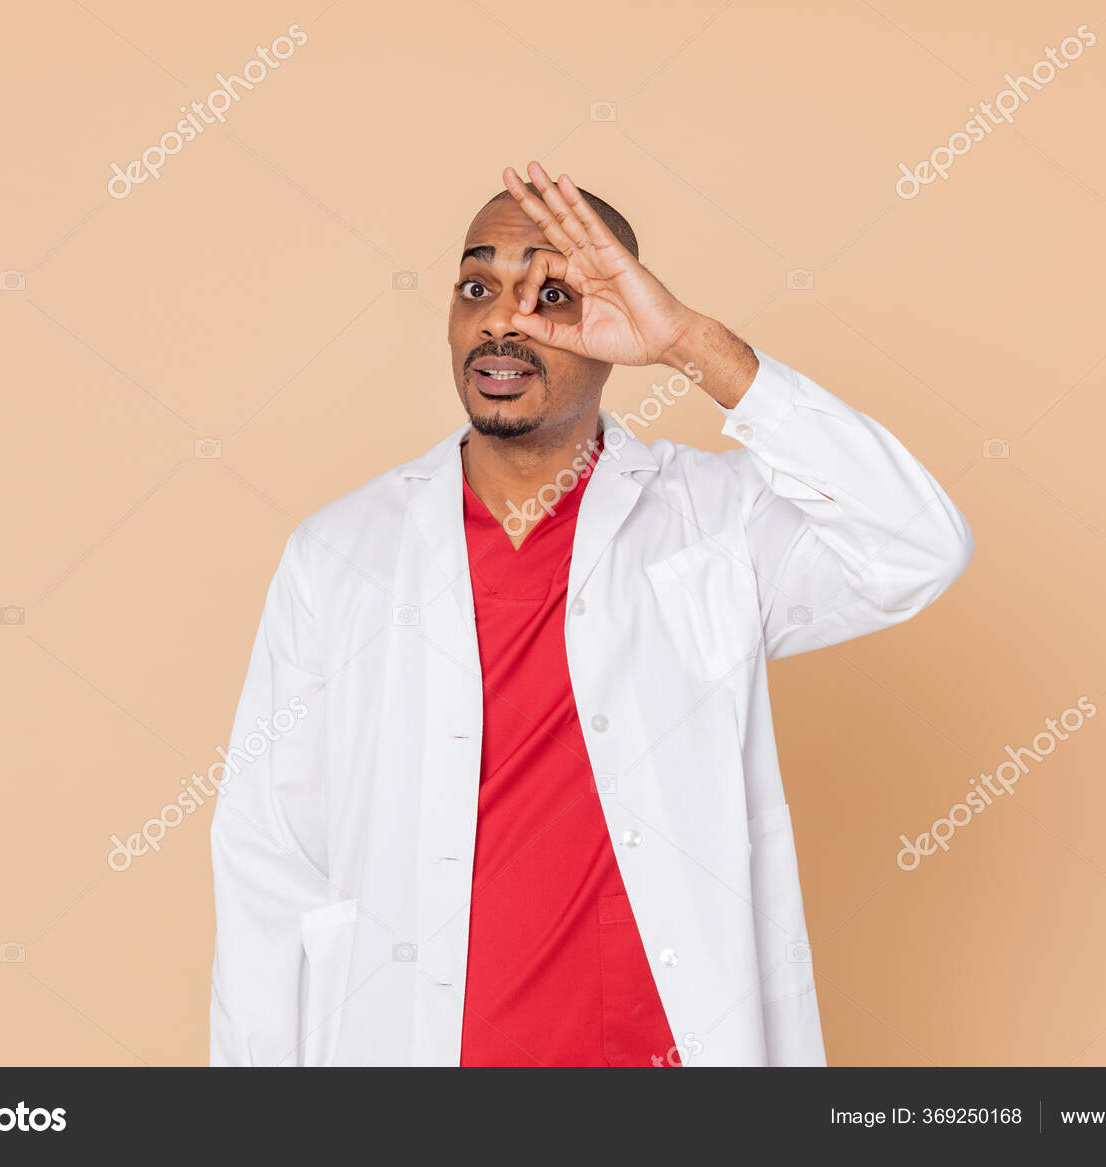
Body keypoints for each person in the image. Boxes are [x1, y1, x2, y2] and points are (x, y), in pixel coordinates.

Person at [209, 161, 973, 1066]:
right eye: (476, 286)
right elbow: (269, 855)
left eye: (553, 293)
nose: (502, 318)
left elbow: (919, 544)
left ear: (615, 327)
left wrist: (692, 343)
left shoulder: (709, 522)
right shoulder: (340, 554)